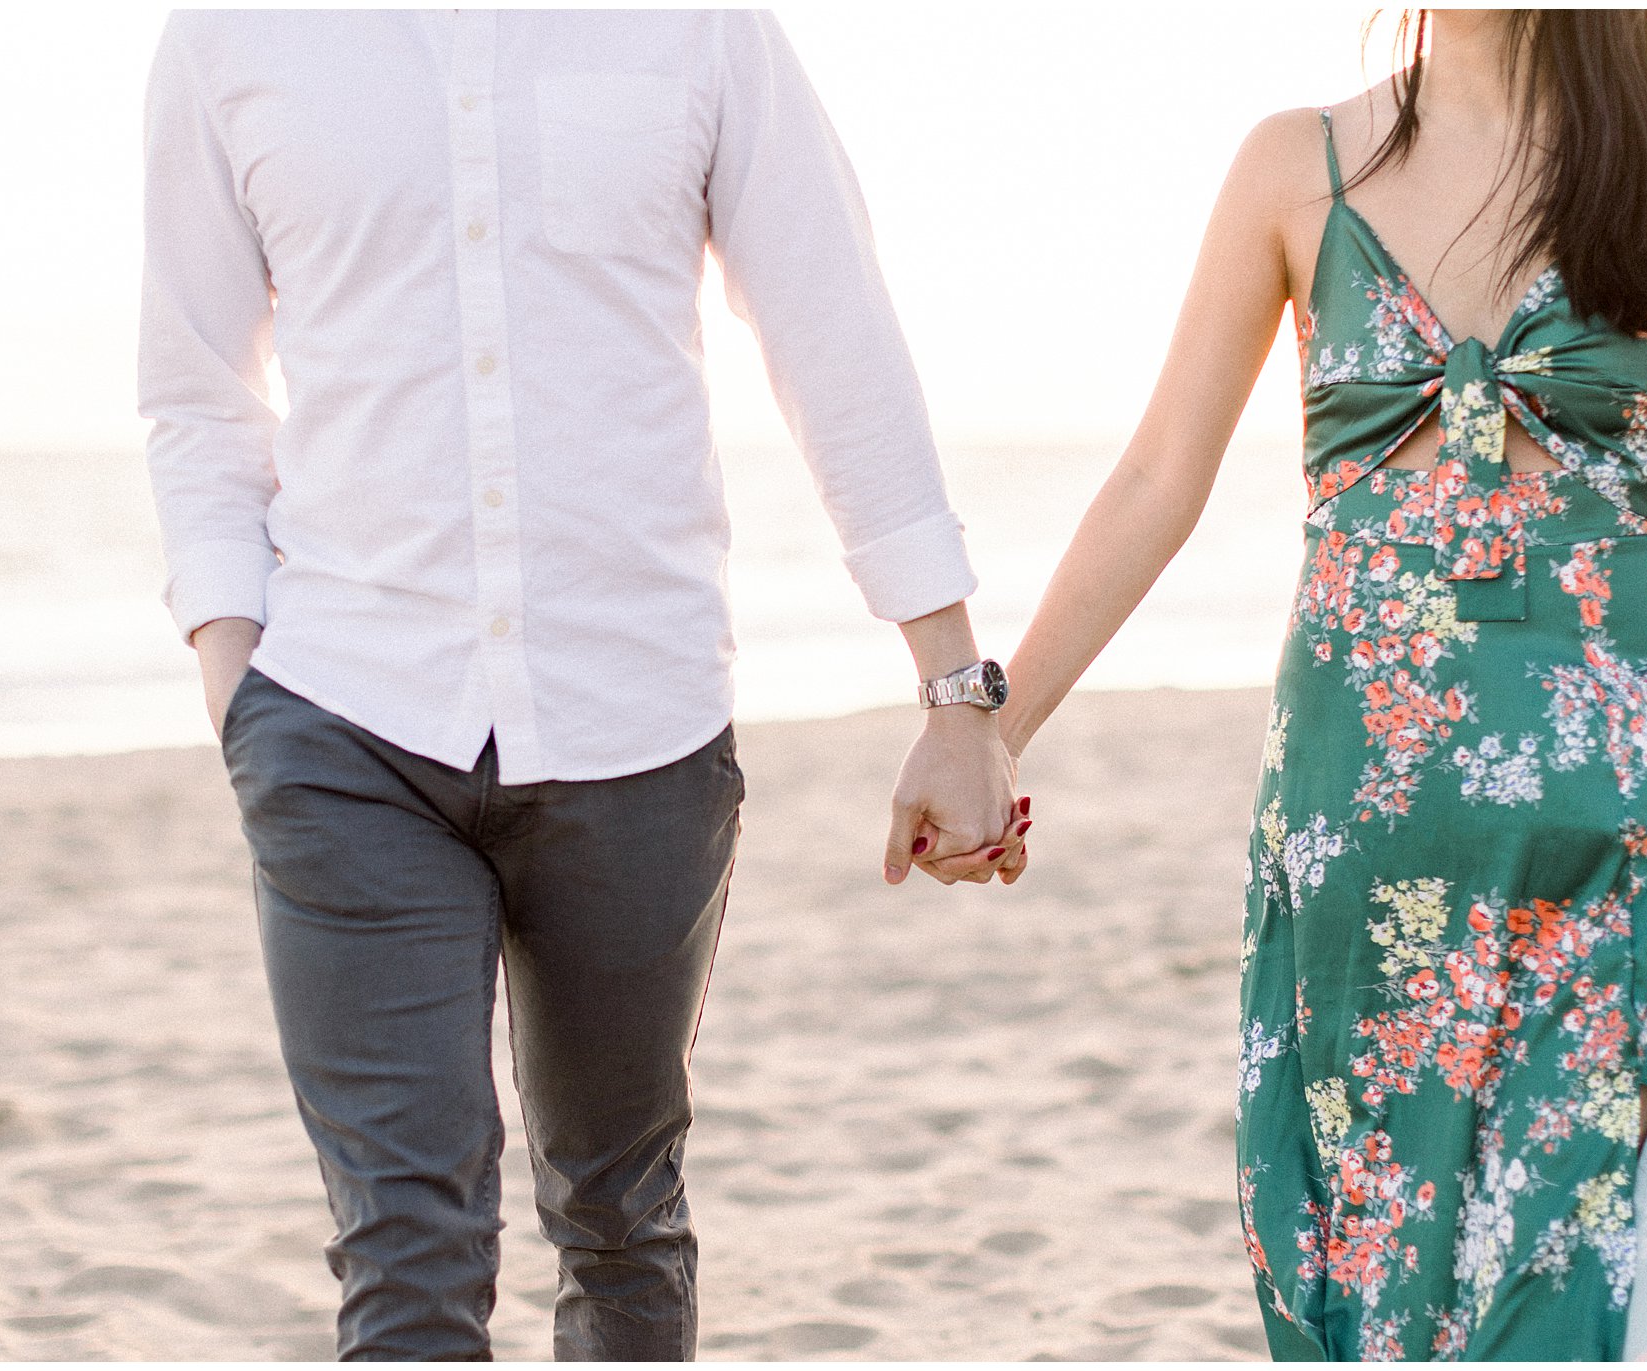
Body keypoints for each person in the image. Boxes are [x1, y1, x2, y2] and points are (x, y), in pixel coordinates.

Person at [966, 9, 1647, 1361]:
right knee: (1379, 1292)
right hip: (1361, 848)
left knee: (1584, 1289)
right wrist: (990, 727)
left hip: (1612, 845)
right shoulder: (1296, 167)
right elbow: (1158, 480)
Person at [138, 10, 1020, 1360]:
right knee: (407, 1246)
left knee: (621, 1218)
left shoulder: (704, 26)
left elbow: (831, 334)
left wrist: (955, 693)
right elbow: (198, 390)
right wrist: (235, 686)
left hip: (641, 724)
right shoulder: (231, 38)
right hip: (343, 722)